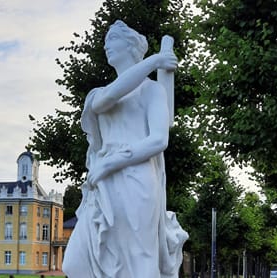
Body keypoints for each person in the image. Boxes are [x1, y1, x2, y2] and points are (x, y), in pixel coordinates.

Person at [62, 20, 188, 278]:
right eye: (106, 41)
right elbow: (108, 100)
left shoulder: (153, 91)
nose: (106, 45)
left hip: (136, 178)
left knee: (140, 259)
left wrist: (112, 162)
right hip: (102, 183)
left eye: (113, 40)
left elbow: (158, 140)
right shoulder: (99, 93)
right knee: (74, 264)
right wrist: (155, 62)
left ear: (131, 47)